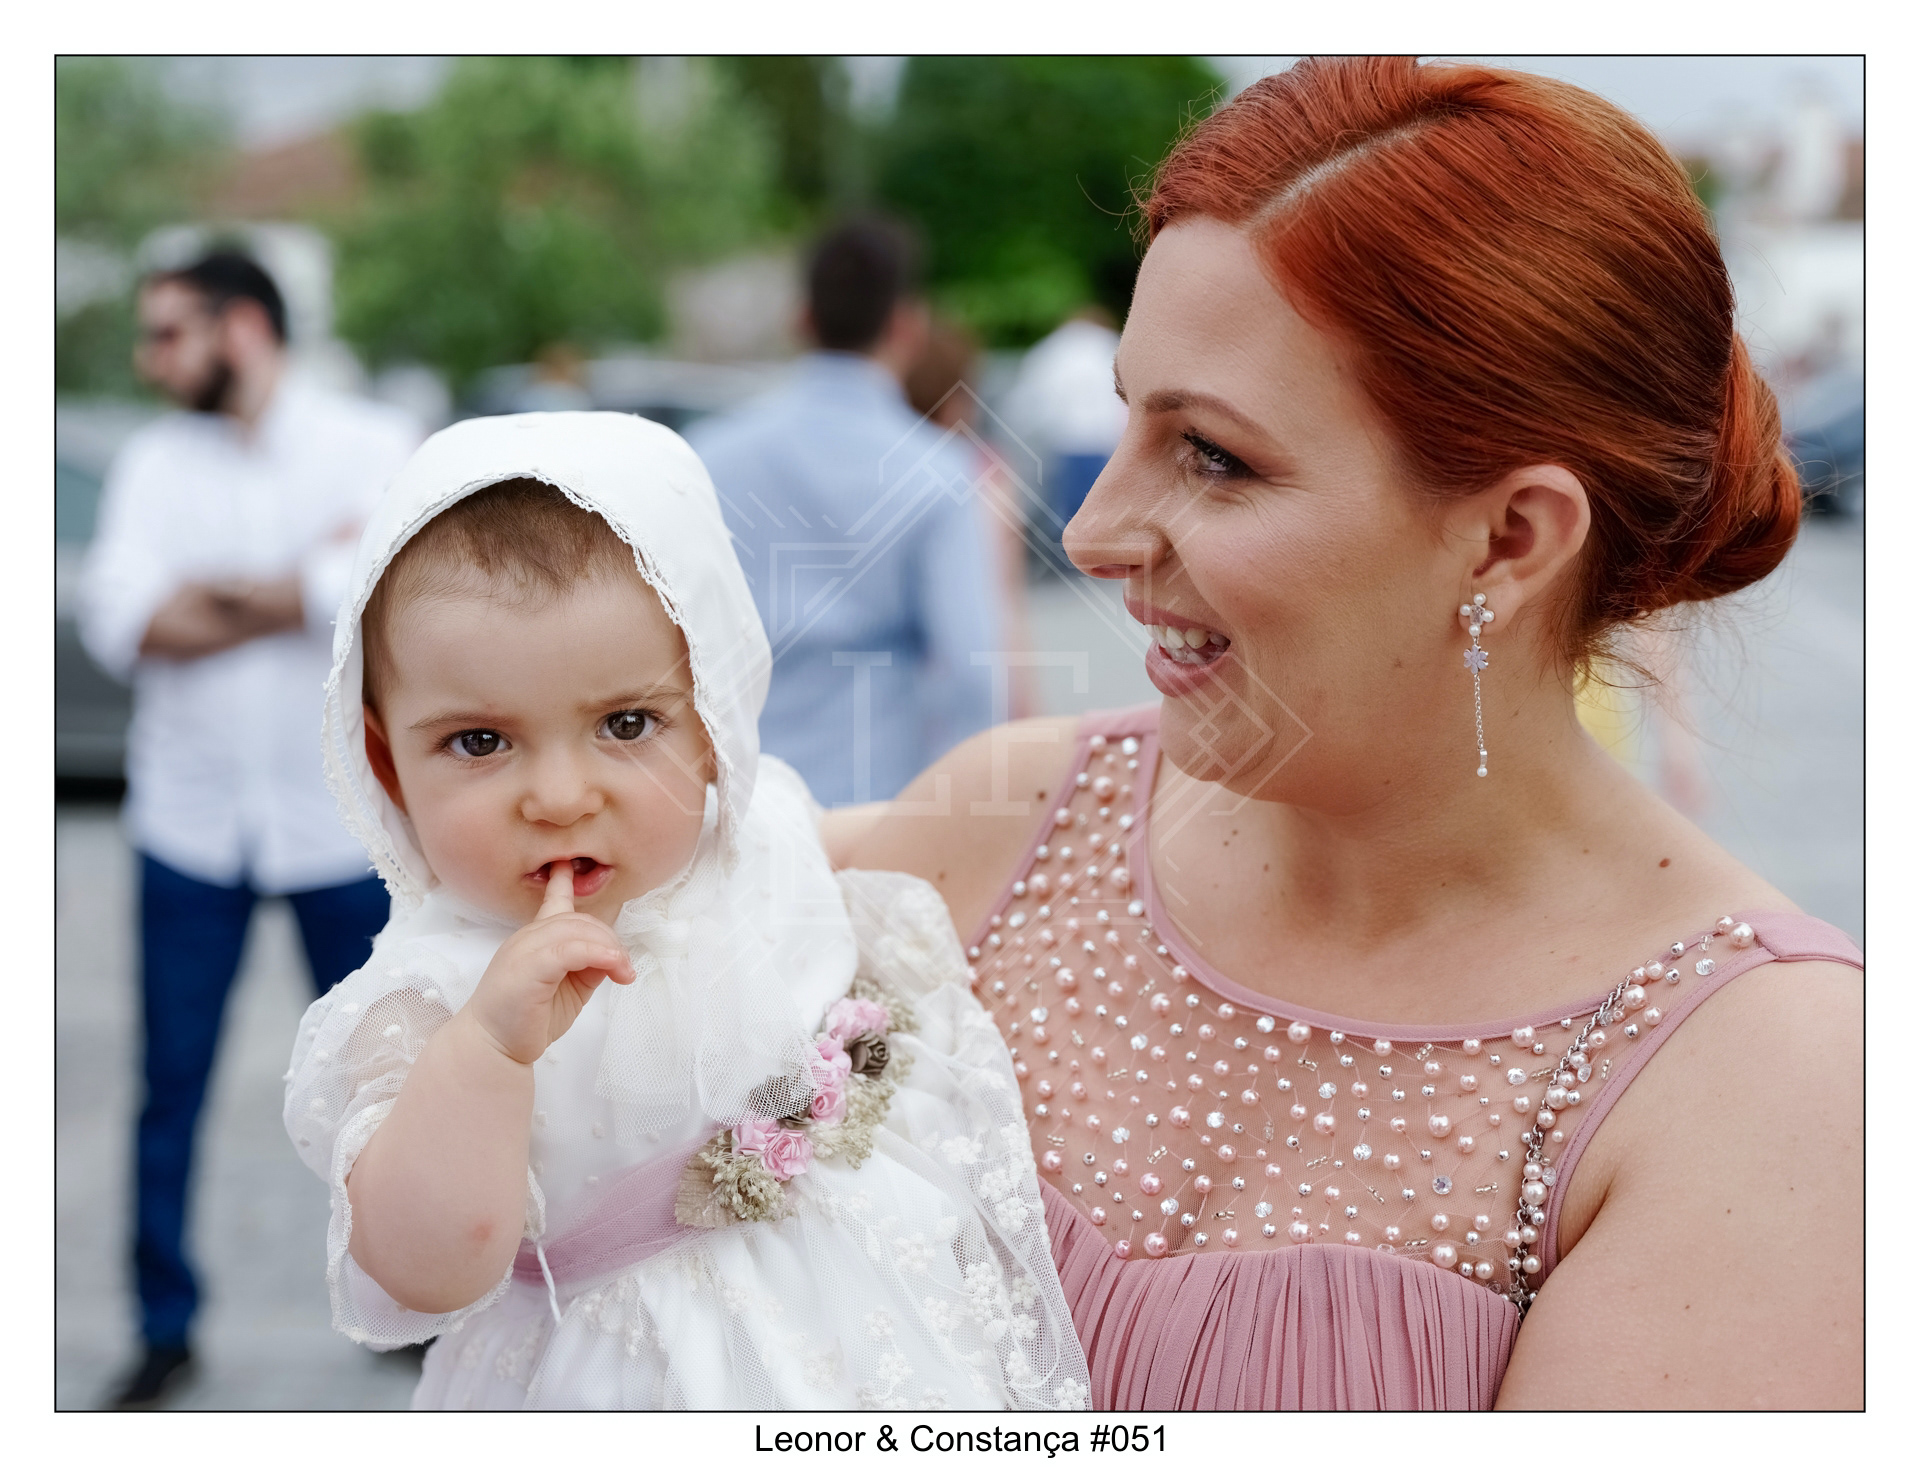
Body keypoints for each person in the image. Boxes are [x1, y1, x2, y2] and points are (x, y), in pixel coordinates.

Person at [826, 58, 1863, 1409]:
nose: (1089, 532)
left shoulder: (1770, 1076)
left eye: (1213, 455)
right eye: (1130, 420)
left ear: (1510, 538)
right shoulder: (1010, 822)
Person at [282, 413, 1087, 1409]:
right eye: (480, 742)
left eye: (626, 724)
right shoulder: (430, 996)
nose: (560, 795)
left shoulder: (752, 835)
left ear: (715, 724)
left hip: (874, 1333)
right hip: (623, 1380)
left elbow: (898, 844)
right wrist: (488, 1050)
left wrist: (1074, 798)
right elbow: (427, 1268)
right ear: (385, 761)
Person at [77, 250, 422, 1408]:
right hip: (188, 829)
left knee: (389, 1083)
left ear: (242, 328)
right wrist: (305, 584)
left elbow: (385, 593)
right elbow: (124, 621)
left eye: (168, 332)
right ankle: (163, 1327)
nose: (150, 359)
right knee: (168, 1087)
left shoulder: (370, 442)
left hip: (340, 827)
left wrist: (221, 593)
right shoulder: (150, 463)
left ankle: (410, 1301)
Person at [687, 219, 1001, 807]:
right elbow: (973, 672)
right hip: (874, 803)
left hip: (733, 802)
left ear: (802, 319)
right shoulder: (939, 471)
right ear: (908, 326)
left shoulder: (708, 456)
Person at [905, 317, 1039, 721]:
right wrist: (1025, 705)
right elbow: (1003, 597)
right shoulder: (983, 471)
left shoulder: (881, 472)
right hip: (972, 676)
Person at [1005, 307, 1128, 534]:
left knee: (1068, 514)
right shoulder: (1111, 344)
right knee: (1105, 514)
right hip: (1104, 443)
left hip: (1064, 444)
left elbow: (1031, 400)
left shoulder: (1051, 349)